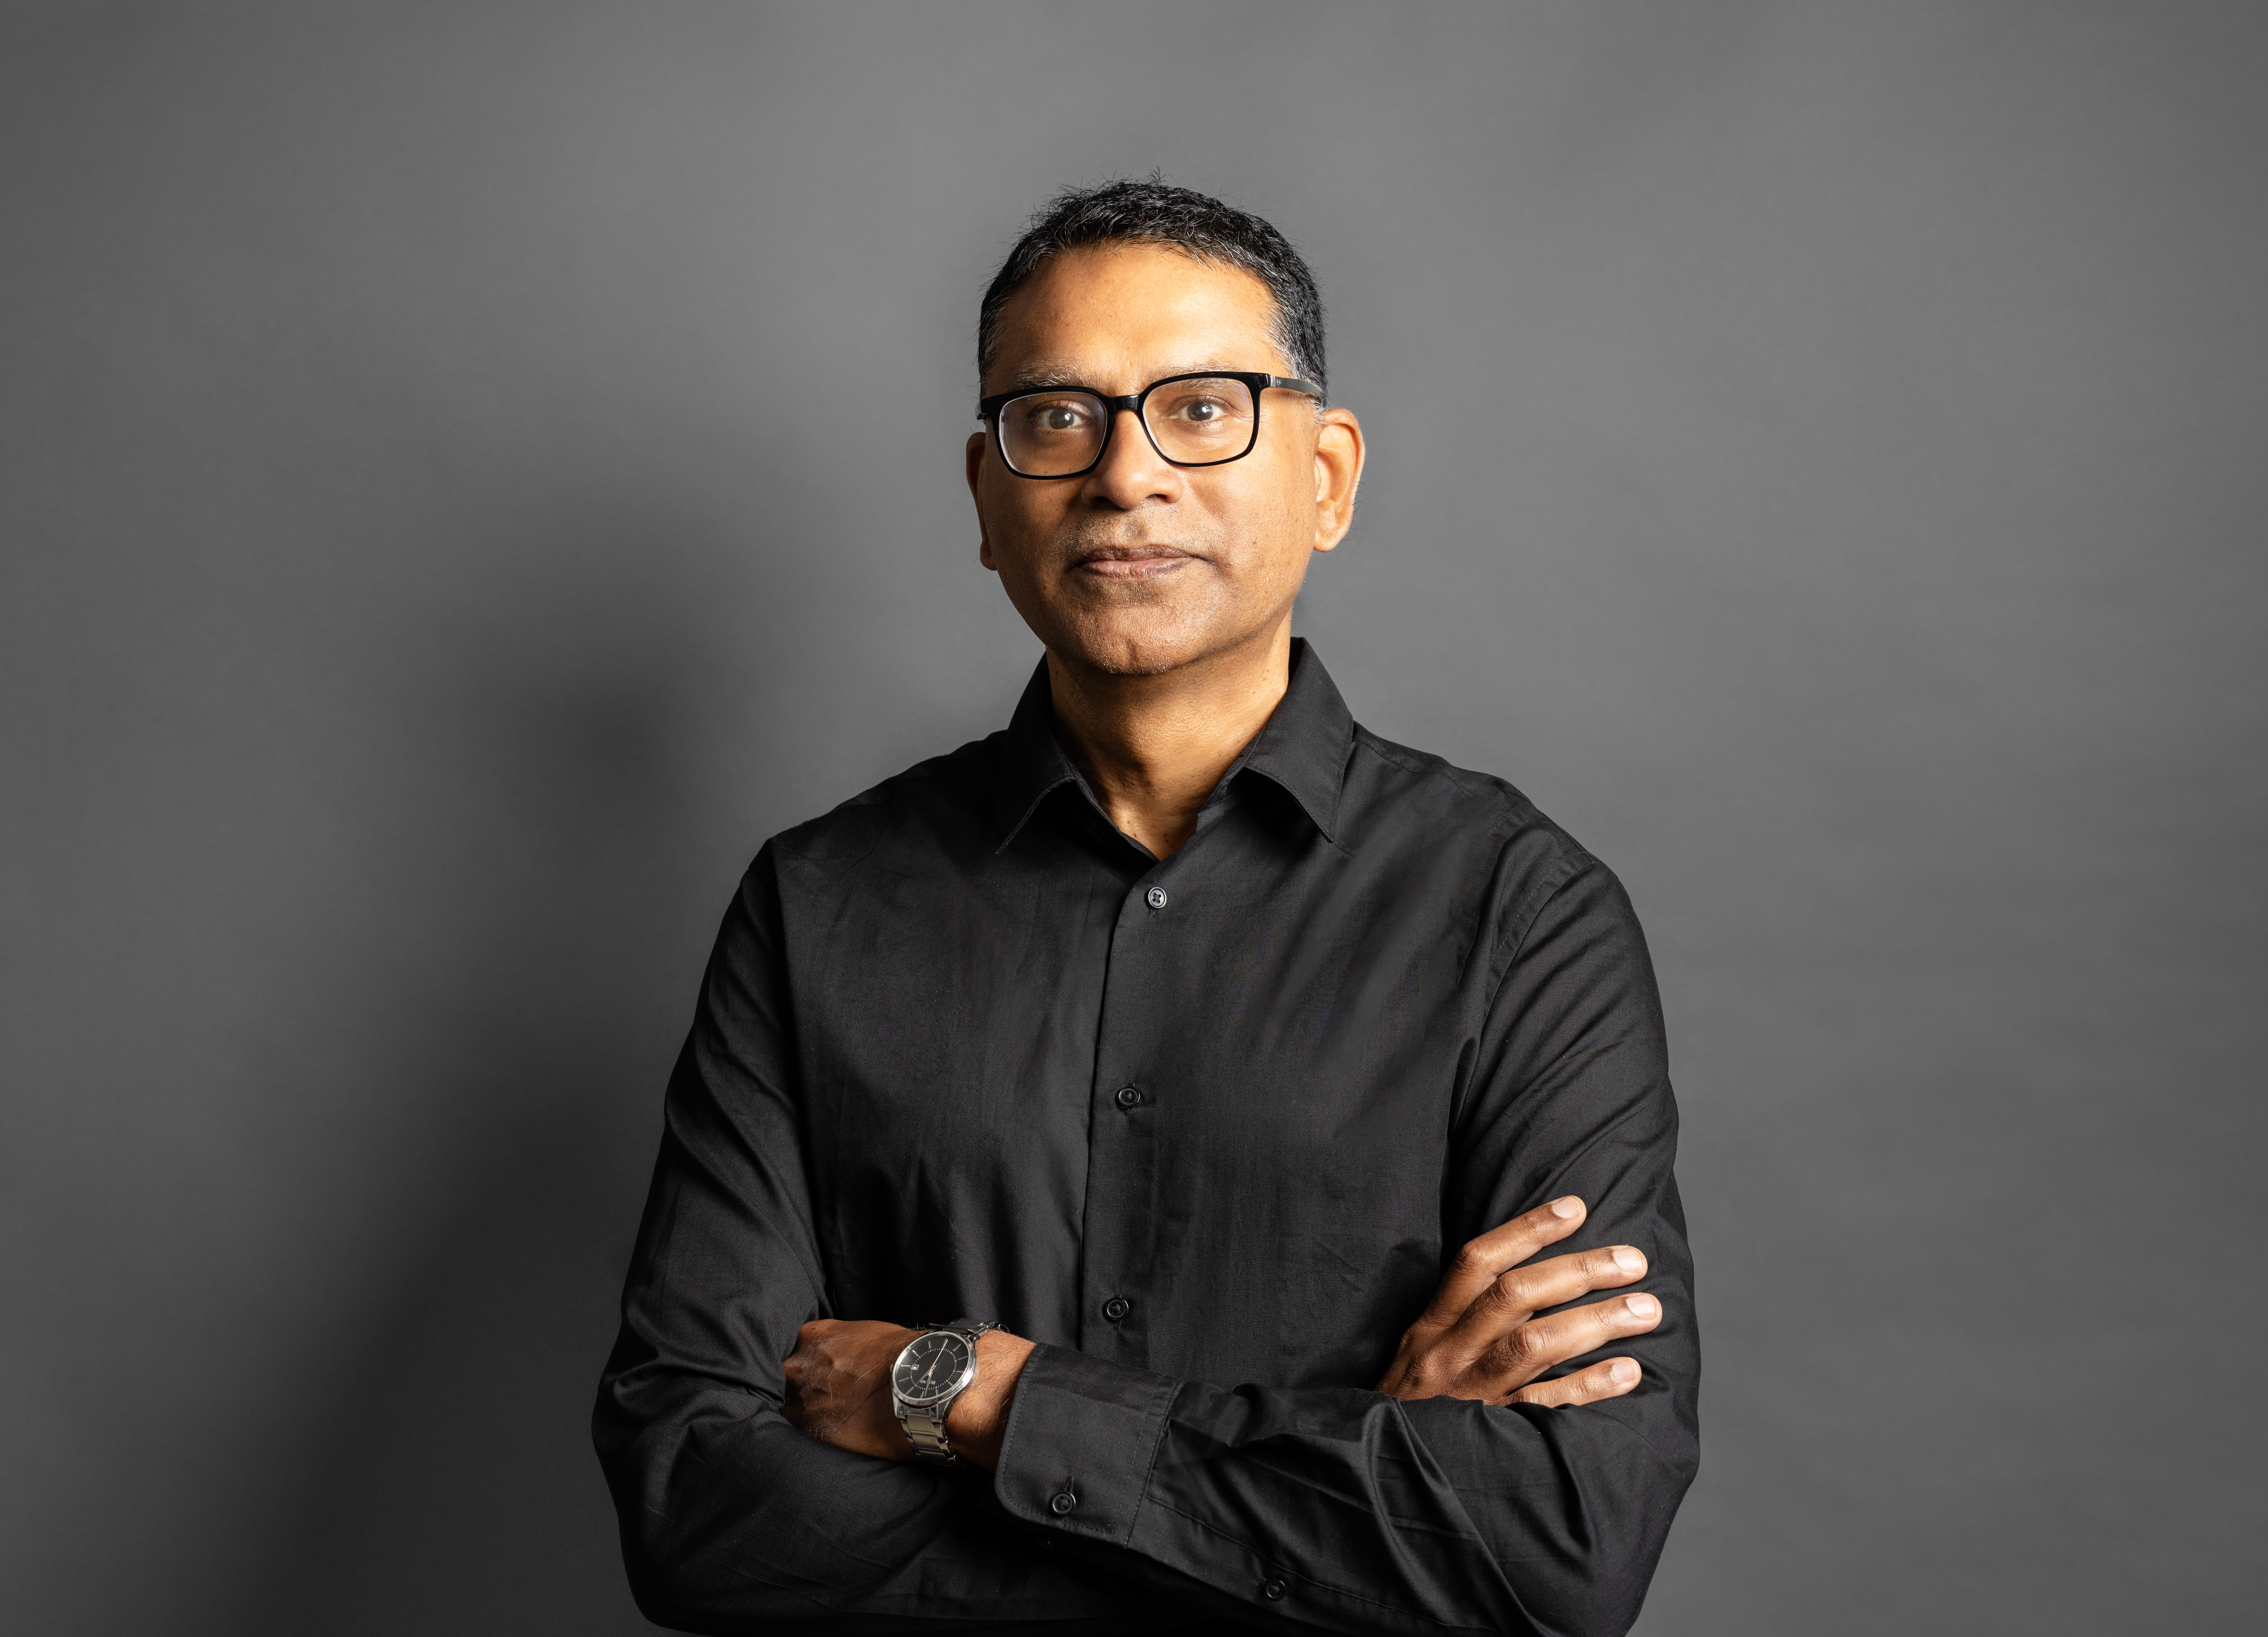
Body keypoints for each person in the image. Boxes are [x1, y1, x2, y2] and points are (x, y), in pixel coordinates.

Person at [593, 179, 1697, 1637]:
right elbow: (697, 1515)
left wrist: (973, 1396)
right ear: (987, 496)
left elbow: (1558, 1545)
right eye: (1055, 417)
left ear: (1326, 476)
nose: (1123, 476)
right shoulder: (817, 907)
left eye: (1201, 407)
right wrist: (1338, 1487)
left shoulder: (1518, 913)